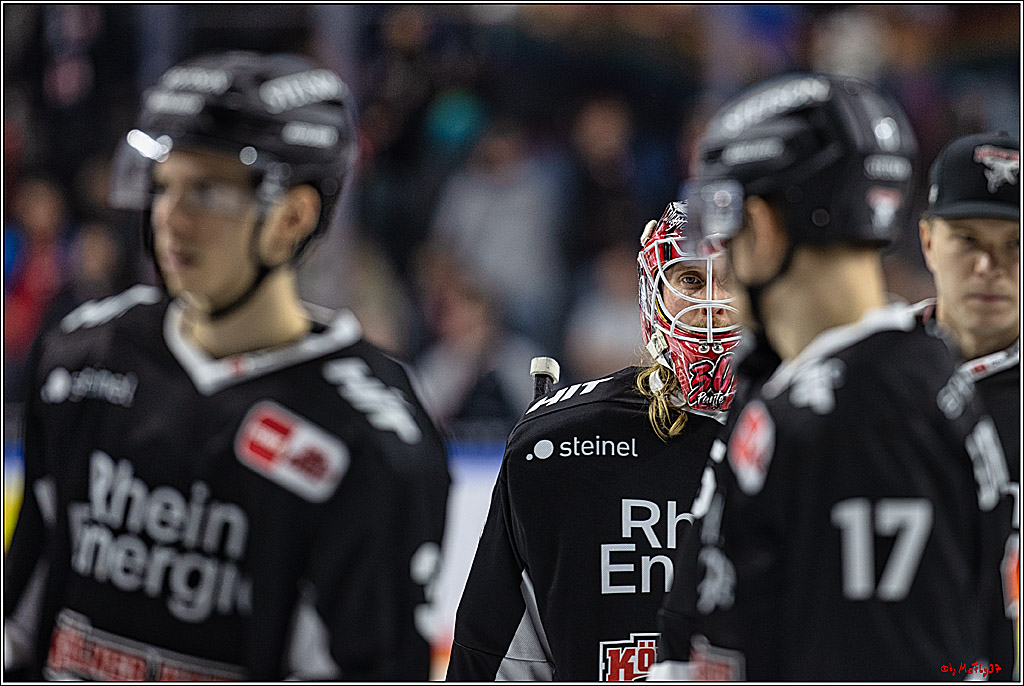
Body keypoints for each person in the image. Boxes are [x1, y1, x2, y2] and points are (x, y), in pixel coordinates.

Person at [3, 51, 451, 681]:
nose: (169, 218)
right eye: (164, 185)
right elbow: (22, 615)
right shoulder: (82, 359)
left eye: (208, 192)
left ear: (291, 217)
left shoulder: (371, 437)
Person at [649, 73, 1014, 680]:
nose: (722, 265)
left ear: (762, 229)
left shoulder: (862, 416)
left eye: (724, 226)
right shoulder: (852, 385)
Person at [445, 201, 742, 681]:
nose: (711, 304)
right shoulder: (558, 445)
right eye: (690, 281)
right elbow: (498, 663)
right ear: (652, 296)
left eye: (733, 278)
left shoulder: (827, 437)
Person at [918, 131, 1019, 678]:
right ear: (928, 241)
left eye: (1015, 244)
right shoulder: (856, 376)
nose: (989, 266)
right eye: (968, 239)